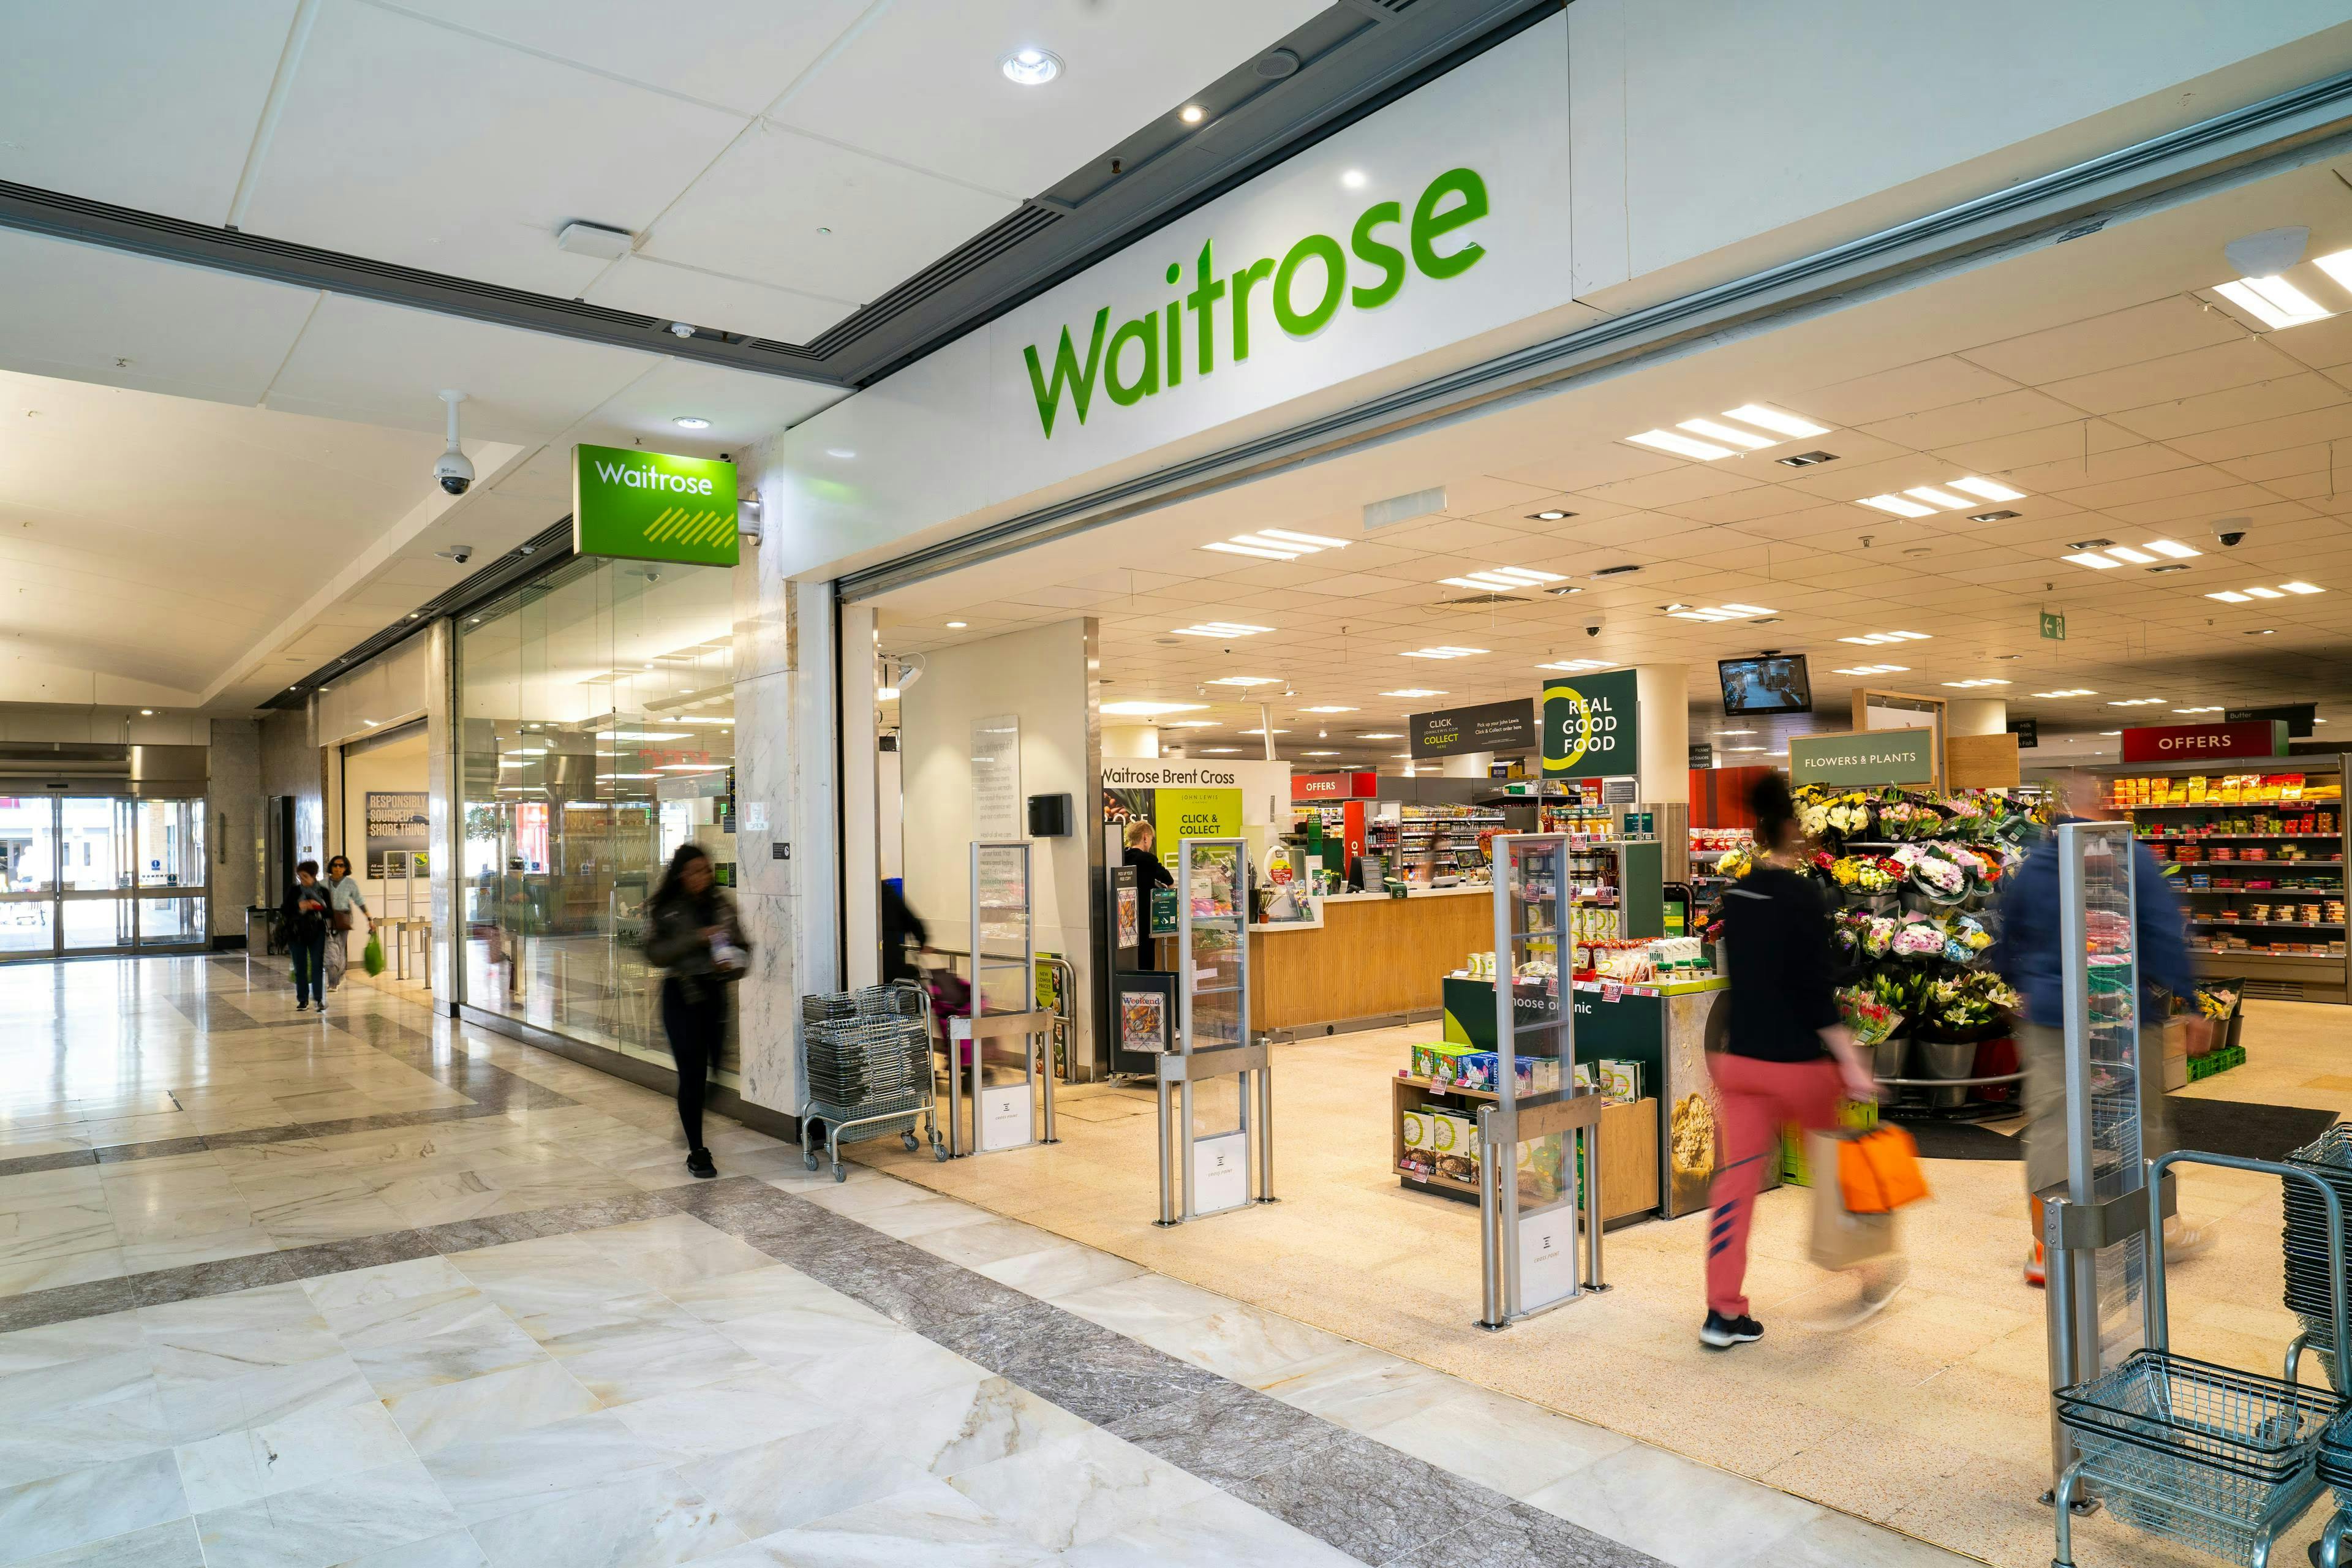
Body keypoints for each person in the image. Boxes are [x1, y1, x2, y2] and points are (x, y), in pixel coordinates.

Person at [1994, 772, 2210, 1286]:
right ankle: (2159, 1227)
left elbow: (2008, 932)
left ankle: (2048, 1245)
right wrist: (2191, 1001)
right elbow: (2162, 932)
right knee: (2141, 1116)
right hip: (2124, 1011)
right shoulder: (2132, 859)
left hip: (2053, 1014)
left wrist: (2022, 985)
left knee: (2055, 1123)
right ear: (2105, 805)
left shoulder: (2036, 865)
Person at [1702, 771, 1882, 1349]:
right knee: (1834, 1173)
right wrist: (1850, 1062)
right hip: (1800, 1067)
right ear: (1790, 828)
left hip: (1741, 1062)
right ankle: (1868, 1270)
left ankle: (1722, 1312)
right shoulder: (1804, 897)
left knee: (1735, 1186)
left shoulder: (1737, 896)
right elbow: (1814, 991)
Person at [645, 843, 748, 1178]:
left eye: (706, 870)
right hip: (681, 995)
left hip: (715, 996)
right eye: (694, 871)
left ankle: (693, 1107)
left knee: (717, 1067)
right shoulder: (668, 910)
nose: (702, 877)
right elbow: (656, 954)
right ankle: (698, 1150)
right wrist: (696, 938)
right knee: (692, 1074)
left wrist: (733, 963)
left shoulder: (721, 906)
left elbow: (743, 951)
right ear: (680, 875)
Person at [281, 861, 333, 1013]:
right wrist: (300, 906)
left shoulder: (323, 892)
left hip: (316, 932)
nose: (302, 880)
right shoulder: (294, 891)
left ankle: (318, 999)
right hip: (296, 932)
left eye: (305, 876)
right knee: (300, 966)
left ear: (314, 875)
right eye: (300, 877)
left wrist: (316, 906)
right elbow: (285, 909)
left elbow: (329, 912)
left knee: (317, 965)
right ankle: (302, 999)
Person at [322, 854, 371, 995]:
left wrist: (369, 918)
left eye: (341, 865)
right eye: (335, 865)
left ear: (346, 868)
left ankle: (339, 974)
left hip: (344, 919)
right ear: (331, 867)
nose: (338, 868)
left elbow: (359, 901)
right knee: (330, 950)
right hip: (327, 920)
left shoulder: (350, 884)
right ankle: (333, 982)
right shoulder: (323, 884)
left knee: (340, 949)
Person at [879, 878, 927, 985]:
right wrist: (922, 940)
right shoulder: (891, 896)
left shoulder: (863, 898)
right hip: (892, 954)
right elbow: (911, 920)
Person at [1123, 819, 1173, 891]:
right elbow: (1169, 881)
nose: (1151, 843)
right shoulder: (1148, 859)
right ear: (1145, 838)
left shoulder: (1123, 856)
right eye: (1151, 839)